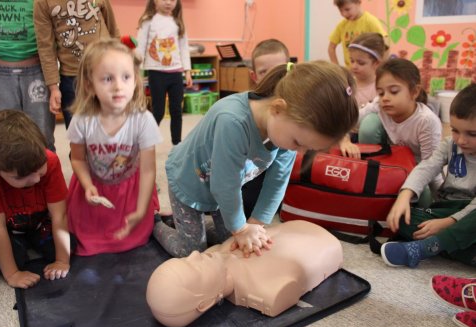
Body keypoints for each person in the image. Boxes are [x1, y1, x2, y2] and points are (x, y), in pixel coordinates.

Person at [153, 60, 359, 258]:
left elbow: (277, 181)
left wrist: (256, 222)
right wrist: (241, 228)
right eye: (298, 142)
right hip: (189, 183)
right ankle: (155, 223)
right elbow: (225, 186)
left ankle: (186, 223)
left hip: (223, 191)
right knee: (192, 251)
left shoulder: (288, 130)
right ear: (278, 109)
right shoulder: (233, 122)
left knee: (230, 243)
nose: (300, 151)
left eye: (308, 147)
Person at [147, 220, 344, 327]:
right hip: (321, 244)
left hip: (300, 229)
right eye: (195, 268)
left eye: (185, 259)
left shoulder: (215, 254)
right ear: (204, 304)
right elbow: (286, 287)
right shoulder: (265, 291)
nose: (196, 254)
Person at [67, 39, 163, 256]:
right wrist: (87, 184)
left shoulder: (144, 120)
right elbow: (78, 159)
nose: (119, 86)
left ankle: (151, 215)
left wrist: (140, 210)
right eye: (108, 78)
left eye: (126, 77)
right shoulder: (82, 120)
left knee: (137, 236)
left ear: (135, 80)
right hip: (94, 186)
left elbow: (148, 170)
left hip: (129, 189)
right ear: (90, 85)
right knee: (83, 237)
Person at [381, 83, 476, 268]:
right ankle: (462, 250)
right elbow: (427, 167)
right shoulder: (450, 145)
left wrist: (447, 224)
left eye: (472, 134)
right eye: (455, 130)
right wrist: (404, 196)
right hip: (447, 208)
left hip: (471, 215)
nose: (461, 140)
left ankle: (426, 249)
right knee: (401, 218)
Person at [0, 110, 74, 289]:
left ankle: (32, 240)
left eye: (39, 169)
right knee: (1, 265)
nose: (36, 179)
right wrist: (12, 274)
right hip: (6, 226)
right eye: (21, 177)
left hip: (40, 220)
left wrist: (61, 260)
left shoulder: (49, 160)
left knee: (70, 247)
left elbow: (60, 216)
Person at [0, 2, 56, 151]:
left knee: (42, 135)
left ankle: (46, 173)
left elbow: (57, 19)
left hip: (37, 70)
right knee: (8, 136)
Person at [34, 0, 120, 129]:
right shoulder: (42, 3)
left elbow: (113, 31)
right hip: (72, 79)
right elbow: (46, 47)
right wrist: (53, 88)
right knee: (78, 135)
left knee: (111, 130)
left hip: (106, 72)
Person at [243, 39, 290, 219]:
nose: (273, 78)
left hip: (274, 170)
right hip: (247, 171)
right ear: (254, 76)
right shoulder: (247, 109)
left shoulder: (294, 105)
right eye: (264, 72)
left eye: (279, 71)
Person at [135, 0, 193, 145]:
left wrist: (187, 71)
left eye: (172, 0)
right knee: (158, 111)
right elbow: (140, 47)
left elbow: (184, 48)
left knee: (176, 110)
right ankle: (146, 141)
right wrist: (137, 71)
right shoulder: (148, 21)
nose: (168, 2)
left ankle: (177, 143)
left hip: (176, 73)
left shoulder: (178, 22)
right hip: (157, 73)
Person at [328, 0, 385, 68]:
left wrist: (381, 68)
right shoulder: (342, 25)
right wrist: (336, 68)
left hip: (369, 71)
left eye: (347, 9)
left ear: (358, 3)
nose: (344, 14)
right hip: (350, 72)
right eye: (341, 11)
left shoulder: (370, 21)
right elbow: (331, 48)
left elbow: (385, 44)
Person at [348, 32, 388, 108]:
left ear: (376, 63)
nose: (354, 66)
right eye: (352, 61)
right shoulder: (348, 84)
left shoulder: (380, 88)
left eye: (361, 63)